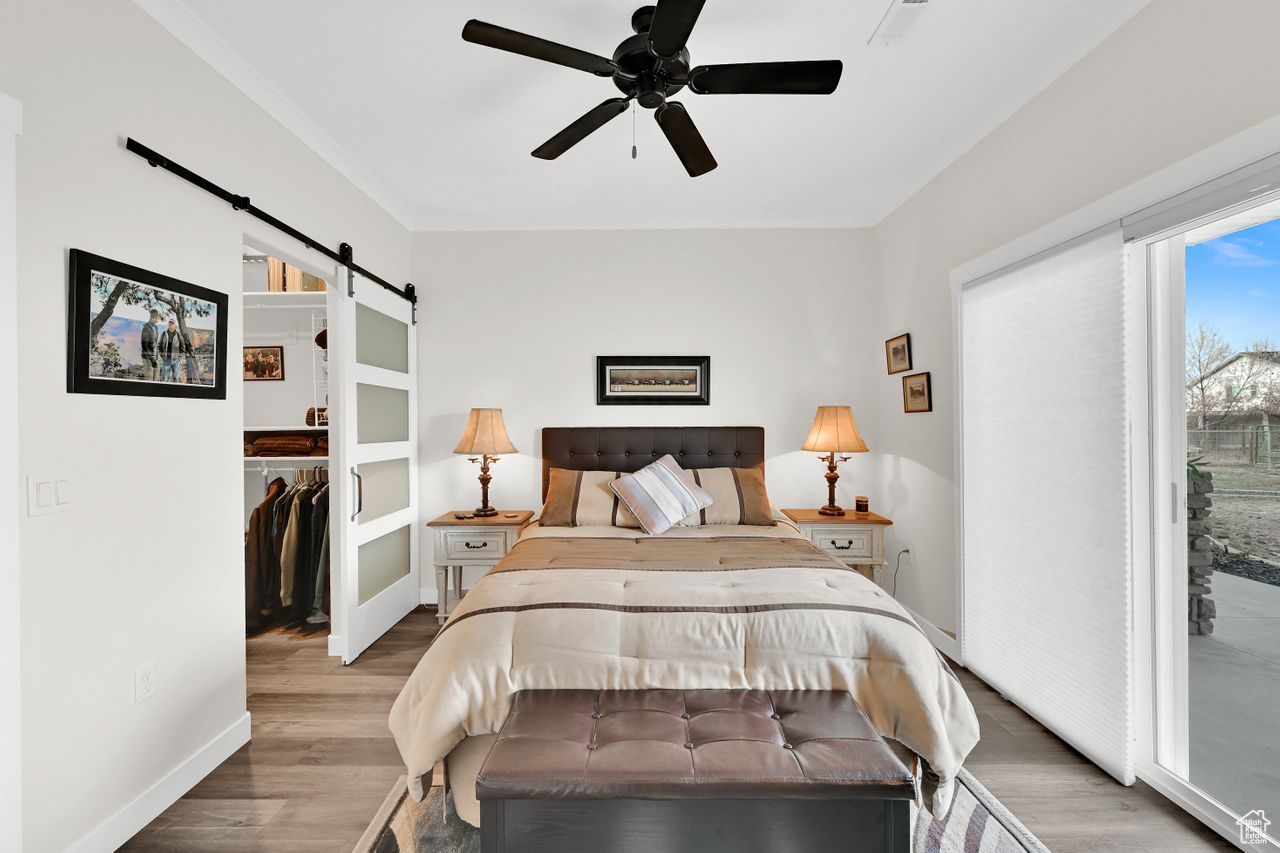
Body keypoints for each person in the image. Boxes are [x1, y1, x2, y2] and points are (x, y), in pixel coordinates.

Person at [140, 309, 162, 380]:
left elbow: (155, 343)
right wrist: (152, 360)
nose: (157, 320)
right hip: (148, 358)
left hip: (155, 357)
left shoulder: (156, 327)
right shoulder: (146, 328)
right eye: (155, 318)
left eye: (157, 318)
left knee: (156, 379)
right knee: (148, 379)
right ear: (151, 318)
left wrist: (157, 355)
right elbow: (144, 346)